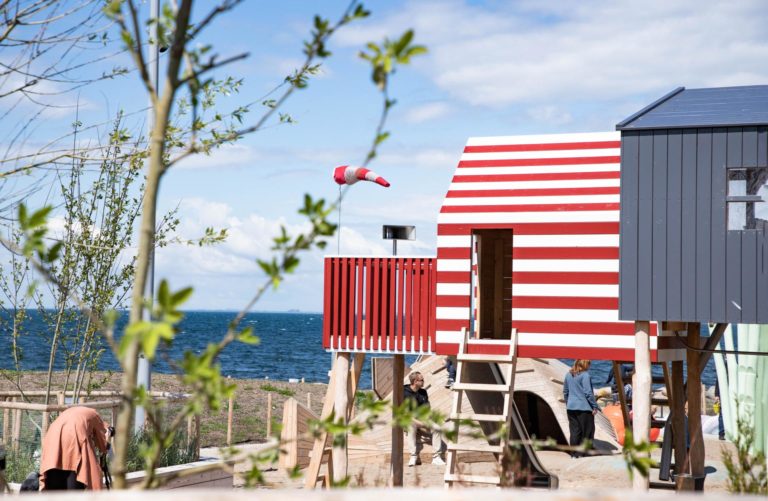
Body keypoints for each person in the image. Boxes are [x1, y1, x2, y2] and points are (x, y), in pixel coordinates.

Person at [39, 406, 111, 490]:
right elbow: (102, 443)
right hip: (72, 436)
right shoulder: (95, 414)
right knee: (75, 467)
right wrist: (107, 441)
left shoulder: (75, 412)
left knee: (55, 466)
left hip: (51, 437)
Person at [404, 371, 446, 466]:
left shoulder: (423, 392)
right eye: (422, 380)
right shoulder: (404, 392)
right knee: (411, 426)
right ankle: (413, 456)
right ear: (415, 381)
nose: (424, 381)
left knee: (437, 428)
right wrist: (420, 423)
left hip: (422, 418)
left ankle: (436, 457)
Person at [563, 359, 599, 458]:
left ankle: (574, 454)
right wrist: (595, 406)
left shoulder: (568, 375)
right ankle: (584, 454)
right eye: (589, 364)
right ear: (585, 365)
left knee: (574, 432)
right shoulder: (585, 375)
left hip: (571, 408)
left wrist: (568, 403)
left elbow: (565, 391)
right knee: (587, 432)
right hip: (584, 408)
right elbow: (588, 393)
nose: (589, 366)